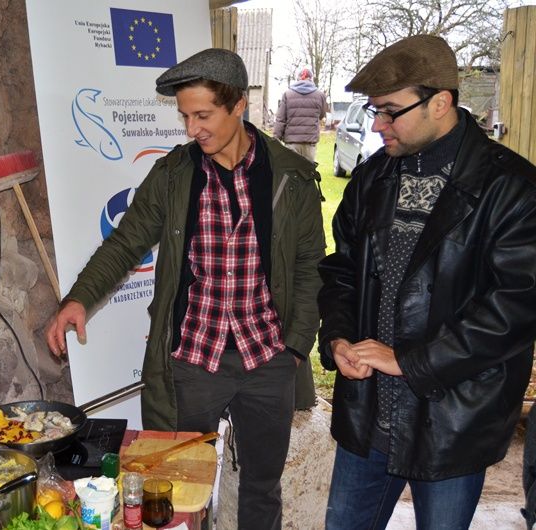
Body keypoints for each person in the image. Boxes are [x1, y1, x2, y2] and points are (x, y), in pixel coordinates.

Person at [46, 48, 325, 529]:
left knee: (262, 488)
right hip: (193, 360)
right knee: (175, 488)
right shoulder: (174, 175)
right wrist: (79, 298)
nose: (192, 129)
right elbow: (126, 241)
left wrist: (296, 347)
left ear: (239, 105)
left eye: (203, 115)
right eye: (185, 116)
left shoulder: (291, 177)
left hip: (267, 360)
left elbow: (311, 268)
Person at [317, 34, 536, 529]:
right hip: (368, 413)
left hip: (451, 421)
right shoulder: (372, 178)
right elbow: (342, 270)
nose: (377, 124)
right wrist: (339, 337)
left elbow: (516, 310)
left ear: (440, 103)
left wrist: (410, 362)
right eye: (374, 110)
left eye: (390, 111)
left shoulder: (513, 189)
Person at [274, 68, 328, 162]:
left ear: (298, 79)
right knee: (308, 170)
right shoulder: (320, 95)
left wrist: (275, 140)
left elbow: (281, 119)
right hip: (310, 143)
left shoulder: (287, 94)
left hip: (292, 143)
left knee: (291, 170)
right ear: (311, 78)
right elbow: (322, 115)